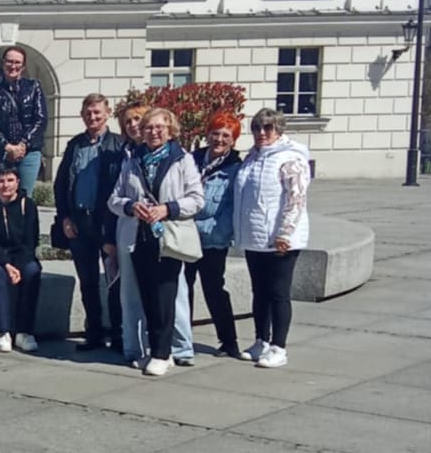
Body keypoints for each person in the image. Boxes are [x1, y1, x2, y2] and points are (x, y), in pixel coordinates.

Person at [108, 107, 204, 377]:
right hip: (138, 236)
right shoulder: (133, 160)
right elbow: (113, 199)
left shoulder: (182, 159)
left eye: (159, 127)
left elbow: (197, 199)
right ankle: (158, 350)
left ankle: (162, 353)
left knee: (165, 295)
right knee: (147, 296)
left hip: (169, 235)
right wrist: (131, 206)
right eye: (149, 127)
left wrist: (167, 208)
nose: (153, 132)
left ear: (170, 131)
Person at [234, 108, 311, 369]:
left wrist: (285, 233)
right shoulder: (252, 157)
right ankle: (261, 341)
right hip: (255, 237)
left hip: (280, 239)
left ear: (279, 130)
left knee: (278, 293)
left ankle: (279, 347)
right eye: (257, 128)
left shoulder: (290, 158)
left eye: (268, 128)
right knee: (259, 292)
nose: (262, 133)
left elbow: (296, 199)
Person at [53, 92, 124, 353]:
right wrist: (65, 217)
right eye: (88, 113)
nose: (92, 117)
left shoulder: (118, 145)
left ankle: (118, 334)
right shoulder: (75, 145)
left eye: (97, 113)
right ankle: (94, 333)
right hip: (79, 222)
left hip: (106, 223)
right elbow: (61, 183)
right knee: (88, 281)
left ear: (108, 114)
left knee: (114, 282)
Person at [189, 111, 244, 359]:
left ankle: (229, 341)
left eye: (226, 135)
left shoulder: (235, 169)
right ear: (207, 134)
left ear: (233, 140)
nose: (219, 139)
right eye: (215, 133)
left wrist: (208, 230)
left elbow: (231, 208)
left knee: (214, 289)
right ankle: (182, 339)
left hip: (212, 240)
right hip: (185, 238)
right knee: (183, 289)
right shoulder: (192, 161)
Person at [0, 161, 41, 353]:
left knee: (32, 271)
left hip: (21, 256)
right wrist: (7, 265)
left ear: (18, 182)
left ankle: (25, 332)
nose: (5, 185)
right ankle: (3, 331)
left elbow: (31, 242)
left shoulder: (27, 205)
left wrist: (17, 265)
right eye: (0, 181)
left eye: (10, 180)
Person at [0, 46, 48, 198]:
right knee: (2, 196)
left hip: (28, 152)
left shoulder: (34, 87)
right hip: (1, 152)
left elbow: (40, 119)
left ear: (23, 66)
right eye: (9, 61)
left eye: (17, 62)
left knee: (24, 197)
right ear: (3, 63)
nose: (13, 66)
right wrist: (7, 146)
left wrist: (22, 145)